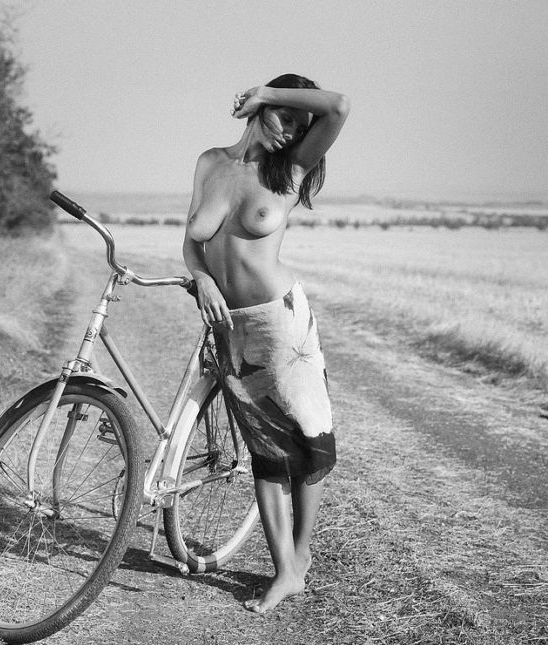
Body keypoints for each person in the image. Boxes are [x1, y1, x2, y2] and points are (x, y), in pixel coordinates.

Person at [182, 74, 350, 613]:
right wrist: (202, 278)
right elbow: (191, 242)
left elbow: (338, 106)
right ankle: (286, 571)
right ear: (257, 112)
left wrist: (269, 96)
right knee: (266, 448)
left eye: (300, 125)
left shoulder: (291, 169)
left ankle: (299, 556)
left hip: (281, 323)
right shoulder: (211, 162)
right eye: (284, 119)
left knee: (307, 438)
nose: (290, 132)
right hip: (230, 326)